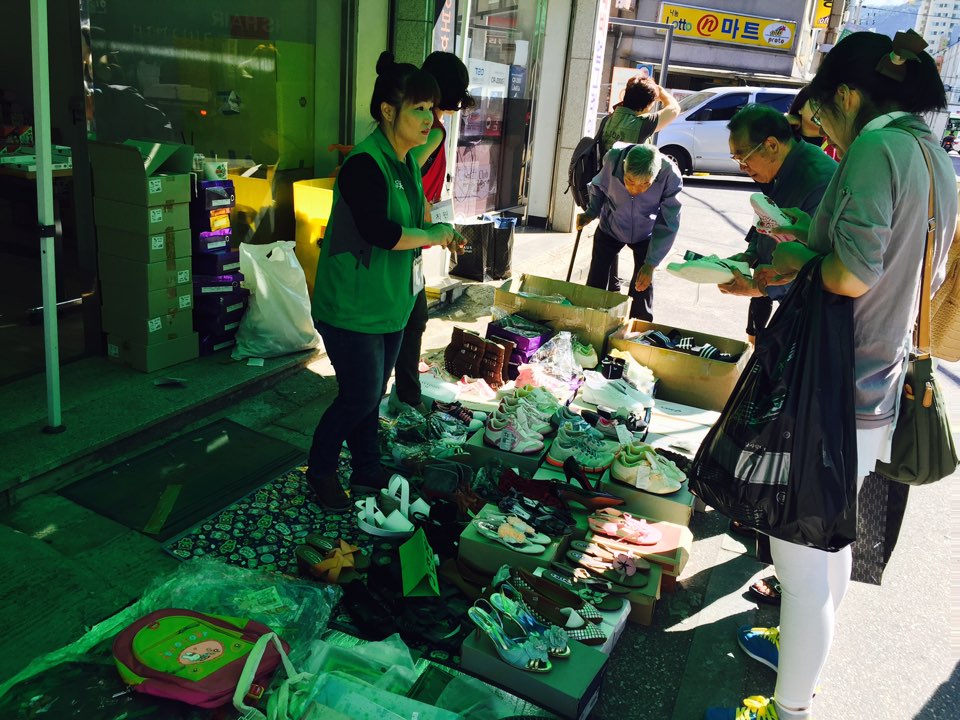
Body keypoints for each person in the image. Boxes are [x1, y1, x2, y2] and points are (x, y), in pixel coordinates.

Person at [706, 30, 956, 720]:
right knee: (829, 540)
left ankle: (789, 708)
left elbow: (851, 275)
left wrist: (796, 263)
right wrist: (804, 234)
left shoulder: (877, 147)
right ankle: (799, 657)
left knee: (799, 562)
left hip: (832, 383)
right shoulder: (931, 152)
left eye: (821, 112)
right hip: (878, 382)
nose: (823, 130)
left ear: (846, 95)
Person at [306, 52, 460, 510]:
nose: (429, 119)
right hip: (352, 305)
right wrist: (432, 235)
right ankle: (320, 471)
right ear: (388, 111)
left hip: (390, 302)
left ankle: (367, 469)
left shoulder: (405, 159)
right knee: (358, 396)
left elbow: (413, 215)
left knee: (371, 395)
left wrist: (441, 229)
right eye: (418, 108)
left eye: (431, 108)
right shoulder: (366, 163)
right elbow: (382, 232)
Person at [389, 51, 475, 414]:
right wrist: (437, 226)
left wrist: (440, 227)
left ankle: (404, 391)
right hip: (404, 233)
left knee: (412, 317)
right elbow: (406, 175)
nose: (427, 117)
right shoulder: (434, 131)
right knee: (410, 319)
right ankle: (405, 395)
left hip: (409, 231)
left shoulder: (421, 127)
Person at [717, 104, 837, 342]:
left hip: (813, 311)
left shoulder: (816, 181)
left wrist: (758, 287)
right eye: (736, 158)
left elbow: (816, 266)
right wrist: (751, 254)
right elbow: (765, 219)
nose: (742, 167)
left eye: (744, 157)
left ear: (771, 145)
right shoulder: (781, 168)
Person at [576, 144, 682, 321]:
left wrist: (651, 264)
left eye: (645, 185)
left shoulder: (670, 174)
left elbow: (669, 222)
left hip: (646, 232)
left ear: (655, 176)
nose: (635, 190)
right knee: (596, 282)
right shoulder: (613, 160)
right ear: (624, 166)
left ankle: (638, 328)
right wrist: (591, 212)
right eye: (629, 181)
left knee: (642, 285)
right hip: (611, 226)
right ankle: (590, 320)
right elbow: (599, 187)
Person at [601, 76, 681, 157]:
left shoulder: (608, 119)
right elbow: (675, 109)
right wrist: (661, 91)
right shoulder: (642, 125)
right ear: (648, 104)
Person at [786, 86, 841, 160]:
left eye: (826, 105)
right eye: (816, 104)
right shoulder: (785, 137)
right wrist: (783, 121)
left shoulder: (837, 142)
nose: (821, 110)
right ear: (800, 108)